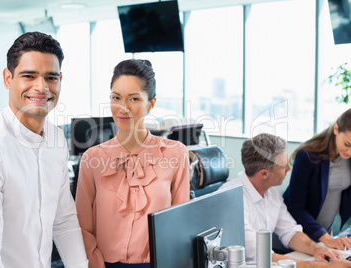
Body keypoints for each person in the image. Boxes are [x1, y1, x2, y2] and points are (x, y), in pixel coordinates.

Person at [0, 32, 89, 267]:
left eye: (51, 77)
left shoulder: (55, 138)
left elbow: (63, 220)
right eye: (29, 76)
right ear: (7, 78)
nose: (41, 87)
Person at [75, 59, 190, 268]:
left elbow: (180, 226)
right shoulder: (92, 159)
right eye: (116, 97)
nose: (123, 108)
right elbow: (83, 227)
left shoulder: (176, 153)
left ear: (151, 103)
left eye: (134, 99)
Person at [219, 133, 350, 268]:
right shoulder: (231, 198)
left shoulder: (272, 191)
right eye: (283, 166)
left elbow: (289, 231)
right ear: (264, 173)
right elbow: (258, 254)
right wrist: (322, 267)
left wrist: (316, 249)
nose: (289, 169)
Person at [283, 108, 351, 250]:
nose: (349, 152)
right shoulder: (307, 156)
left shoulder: (348, 158)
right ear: (336, 129)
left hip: (326, 237)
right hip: (297, 235)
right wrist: (325, 238)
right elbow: (295, 206)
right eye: (347, 144)